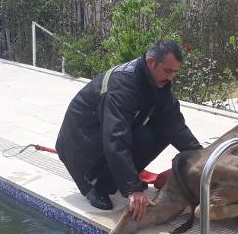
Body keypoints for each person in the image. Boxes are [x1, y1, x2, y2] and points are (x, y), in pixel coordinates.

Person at [56, 40, 202, 221]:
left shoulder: (158, 84)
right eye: (167, 71)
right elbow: (115, 138)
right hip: (81, 141)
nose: (171, 78)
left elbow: (176, 126)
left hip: (105, 134)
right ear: (151, 62)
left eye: (174, 72)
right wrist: (132, 189)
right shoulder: (122, 86)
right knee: (120, 143)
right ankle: (96, 186)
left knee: (162, 130)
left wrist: (204, 158)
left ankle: (119, 178)